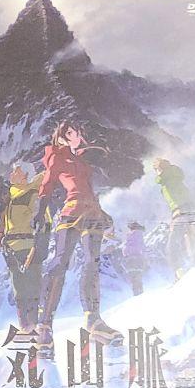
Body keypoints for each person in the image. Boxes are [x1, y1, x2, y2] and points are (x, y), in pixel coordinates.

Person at [32, 120, 121, 355]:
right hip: (71, 211)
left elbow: (89, 190)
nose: (76, 136)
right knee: (60, 262)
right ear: (61, 136)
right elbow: (47, 184)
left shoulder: (81, 161)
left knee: (92, 262)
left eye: (78, 132)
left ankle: (94, 321)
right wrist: (40, 212)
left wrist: (102, 213)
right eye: (71, 132)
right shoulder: (56, 156)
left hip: (92, 212)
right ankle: (44, 326)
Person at [0, 164, 49, 335]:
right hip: (12, 250)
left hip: (29, 248)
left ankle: (34, 328)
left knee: (32, 289)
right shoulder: (10, 198)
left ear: (26, 175)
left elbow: (42, 221)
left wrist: (40, 244)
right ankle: (25, 328)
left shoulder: (33, 195)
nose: (12, 174)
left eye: (16, 171)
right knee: (19, 291)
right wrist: (0, 235)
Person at [153, 158, 195, 279]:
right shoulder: (174, 177)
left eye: (156, 169)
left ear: (160, 169)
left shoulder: (167, 180)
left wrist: (177, 211)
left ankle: (178, 272)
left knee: (172, 244)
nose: (156, 172)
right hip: (188, 209)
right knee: (189, 236)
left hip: (180, 211)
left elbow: (176, 197)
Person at [123, 221, 146, 295]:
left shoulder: (129, 236)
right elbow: (142, 247)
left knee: (133, 277)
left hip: (129, 259)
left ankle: (136, 293)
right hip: (138, 258)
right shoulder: (139, 235)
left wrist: (126, 255)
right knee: (138, 277)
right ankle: (140, 292)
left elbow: (125, 248)